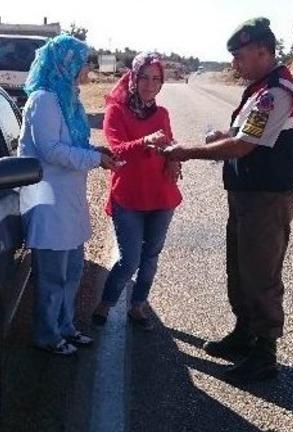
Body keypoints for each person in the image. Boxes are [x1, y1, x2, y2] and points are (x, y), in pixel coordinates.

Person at [160, 17, 293, 383]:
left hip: (266, 199)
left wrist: (188, 151)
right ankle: (245, 333)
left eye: (240, 55)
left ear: (263, 51)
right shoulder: (260, 89)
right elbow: (243, 134)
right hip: (248, 196)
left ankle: (264, 353)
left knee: (260, 274)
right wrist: (219, 136)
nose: (234, 63)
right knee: (240, 269)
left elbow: (243, 146)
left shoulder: (276, 93)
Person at [18, 34, 120, 356]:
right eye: (82, 62)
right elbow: (50, 150)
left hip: (70, 202)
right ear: (66, 64)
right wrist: (94, 159)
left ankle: (66, 326)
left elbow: (73, 145)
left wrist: (95, 150)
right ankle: (47, 335)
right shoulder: (44, 99)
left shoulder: (69, 99)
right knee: (52, 278)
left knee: (73, 271)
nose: (87, 68)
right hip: (48, 203)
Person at [91, 52, 182, 331]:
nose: (150, 84)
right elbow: (116, 149)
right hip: (128, 197)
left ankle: (138, 304)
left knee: (151, 256)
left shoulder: (162, 113)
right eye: (144, 77)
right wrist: (146, 141)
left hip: (161, 196)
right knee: (129, 260)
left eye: (156, 79)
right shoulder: (116, 111)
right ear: (133, 77)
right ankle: (105, 303)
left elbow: (167, 144)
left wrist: (174, 157)